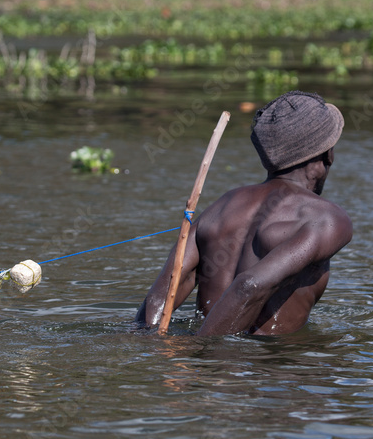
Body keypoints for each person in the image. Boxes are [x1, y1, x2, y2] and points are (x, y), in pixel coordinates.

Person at [135, 91, 353, 336]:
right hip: (264, 358)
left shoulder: (222, 205)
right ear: (328, 154)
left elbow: (164, 291)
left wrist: (144, 338)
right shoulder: (329, 219)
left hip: (213, 349)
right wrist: (205, 349)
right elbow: (248, 288)